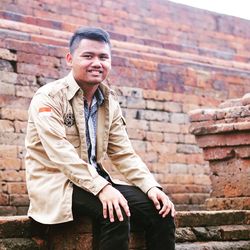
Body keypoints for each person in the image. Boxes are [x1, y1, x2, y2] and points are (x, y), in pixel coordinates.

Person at [25, 27, 176, 250]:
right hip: (57, 184)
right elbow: (59, 152)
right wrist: (102, 188)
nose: (97, 63)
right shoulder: (49, 97)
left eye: (103, 57)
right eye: (88, 56)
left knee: (160, 211)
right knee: (115, 211)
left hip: (94, 181)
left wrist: (151, 187)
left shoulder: (108, 102)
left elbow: (124, 153)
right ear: (70, 59)